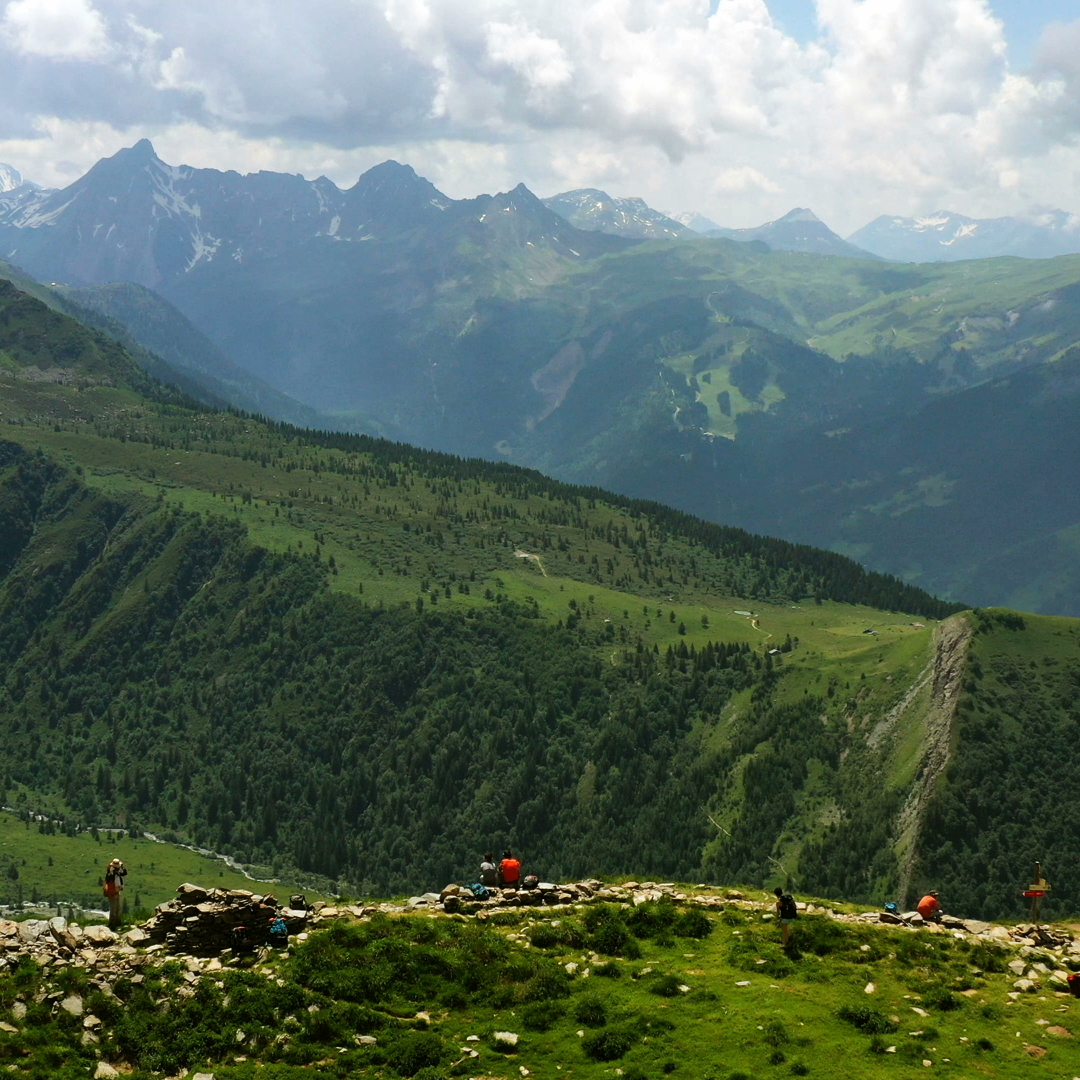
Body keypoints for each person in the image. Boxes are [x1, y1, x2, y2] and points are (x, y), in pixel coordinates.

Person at [103, 858, 127, 929]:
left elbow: (125, 873)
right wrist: (112, 868)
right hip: (112, 892)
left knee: (117, 908)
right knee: (113, 909)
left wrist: (122, 867)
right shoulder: (111, 872)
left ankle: (117, 921)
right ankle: (112, 923)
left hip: (117, 891)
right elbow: (110, 876)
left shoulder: (117, 873)